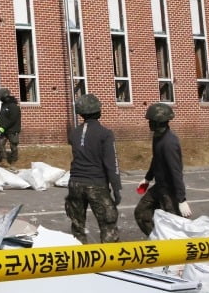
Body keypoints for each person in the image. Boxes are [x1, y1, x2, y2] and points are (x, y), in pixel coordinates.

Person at [64, 94, 122, 243]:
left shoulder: (74, 133)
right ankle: (111, 260)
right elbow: (111, 163)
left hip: (75, 183)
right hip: (96, 183)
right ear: (97, 111)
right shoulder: (105, 134)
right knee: (108, 224)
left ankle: (81, 258)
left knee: (77, 226)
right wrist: (116, 188)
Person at [134, 102, 192, 236]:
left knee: (175, 226)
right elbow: (156, 159)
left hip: (170, 191)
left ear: (159, 122)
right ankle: (158, 240)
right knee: (142, 213)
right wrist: (147, 178)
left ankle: (176, 250)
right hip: (159, 187)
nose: (149, 123)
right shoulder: (158, 137)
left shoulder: (169, 143)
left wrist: (181, 199)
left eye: (151, 121)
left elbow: (175, 172)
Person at [0, 87, 22, 166]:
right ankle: (4, 160)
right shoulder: (4, 105)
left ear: (5, 96)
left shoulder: (13, 106)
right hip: (5, 129)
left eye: (1, 97)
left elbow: (12, 119)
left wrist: (3, 127)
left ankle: (14, 160)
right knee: (1, 144)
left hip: (13, 129)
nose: (0, 99)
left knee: (13, 145)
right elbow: (3, 116)